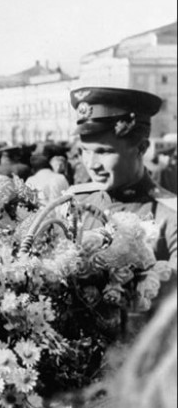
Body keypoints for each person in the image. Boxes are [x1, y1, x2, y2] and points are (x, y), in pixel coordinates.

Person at [67, 87, 176, 321]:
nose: (92, 164)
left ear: (142, 148)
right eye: (85, 151)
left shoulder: (170, 214)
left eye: (104, 152)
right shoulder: (76, 202)